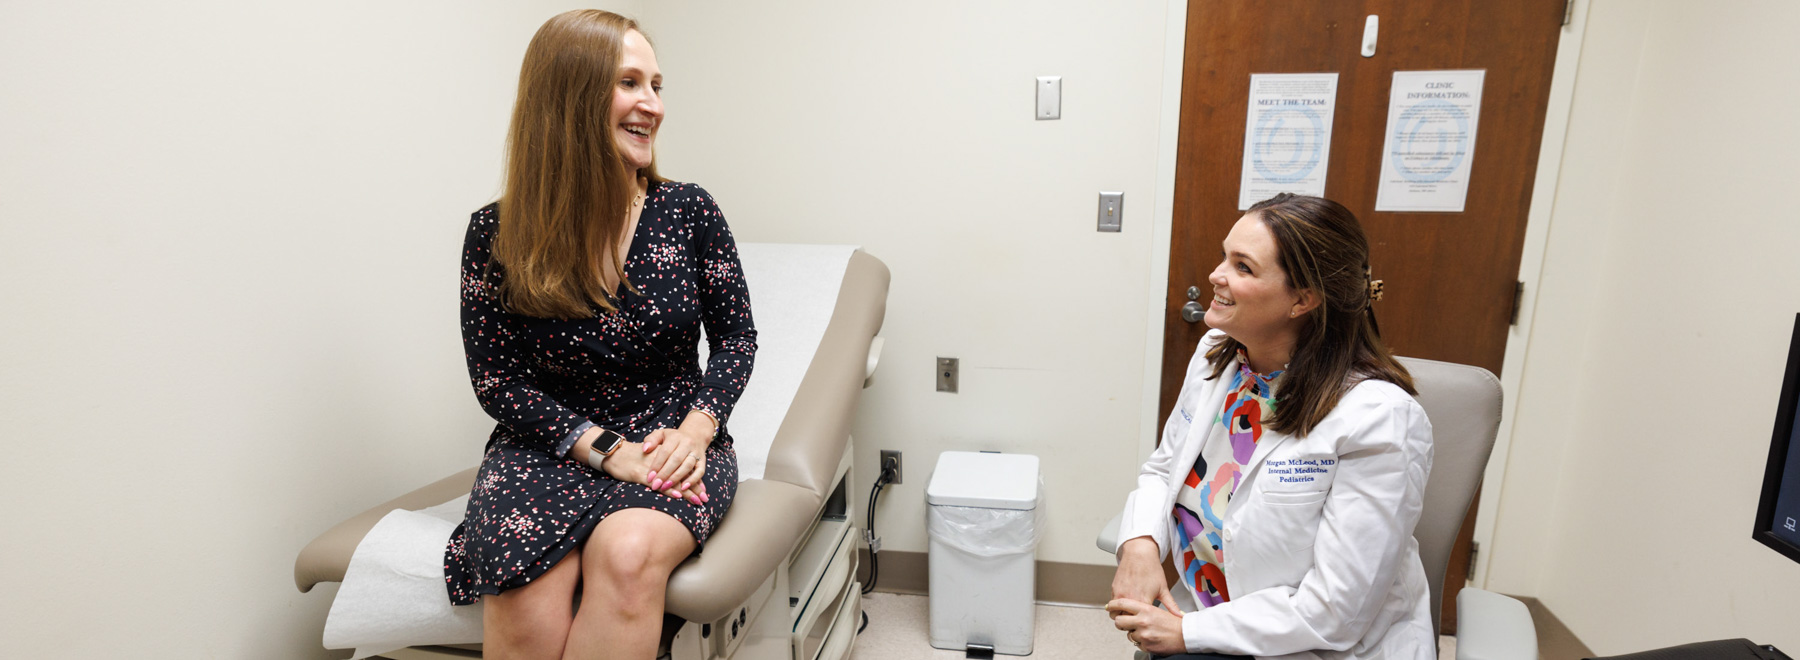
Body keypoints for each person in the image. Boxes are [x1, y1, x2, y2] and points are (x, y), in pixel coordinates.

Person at [441, 10, 756, 660]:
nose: (654, 105)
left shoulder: (689, 212)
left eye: (657, 86)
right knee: (520, 574)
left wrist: (696, 431)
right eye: (630, 83)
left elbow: (737, 340)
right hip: (547, 446)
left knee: (629, 550)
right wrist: (603, 448)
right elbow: (498, 381)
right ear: (571, 97)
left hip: (668, 436)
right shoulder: (495, 234)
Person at [1107, 194, 1434, 660]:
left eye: (1242, 267)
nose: (1216, 275)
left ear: (1303, 299)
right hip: (1208, 615)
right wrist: (1139, 543)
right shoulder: (1218, 354)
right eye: (1225, 255)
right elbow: (1166, 469)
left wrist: (1188, 634)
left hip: (1314, 647)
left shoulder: (1379, 419)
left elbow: (1335, 612)